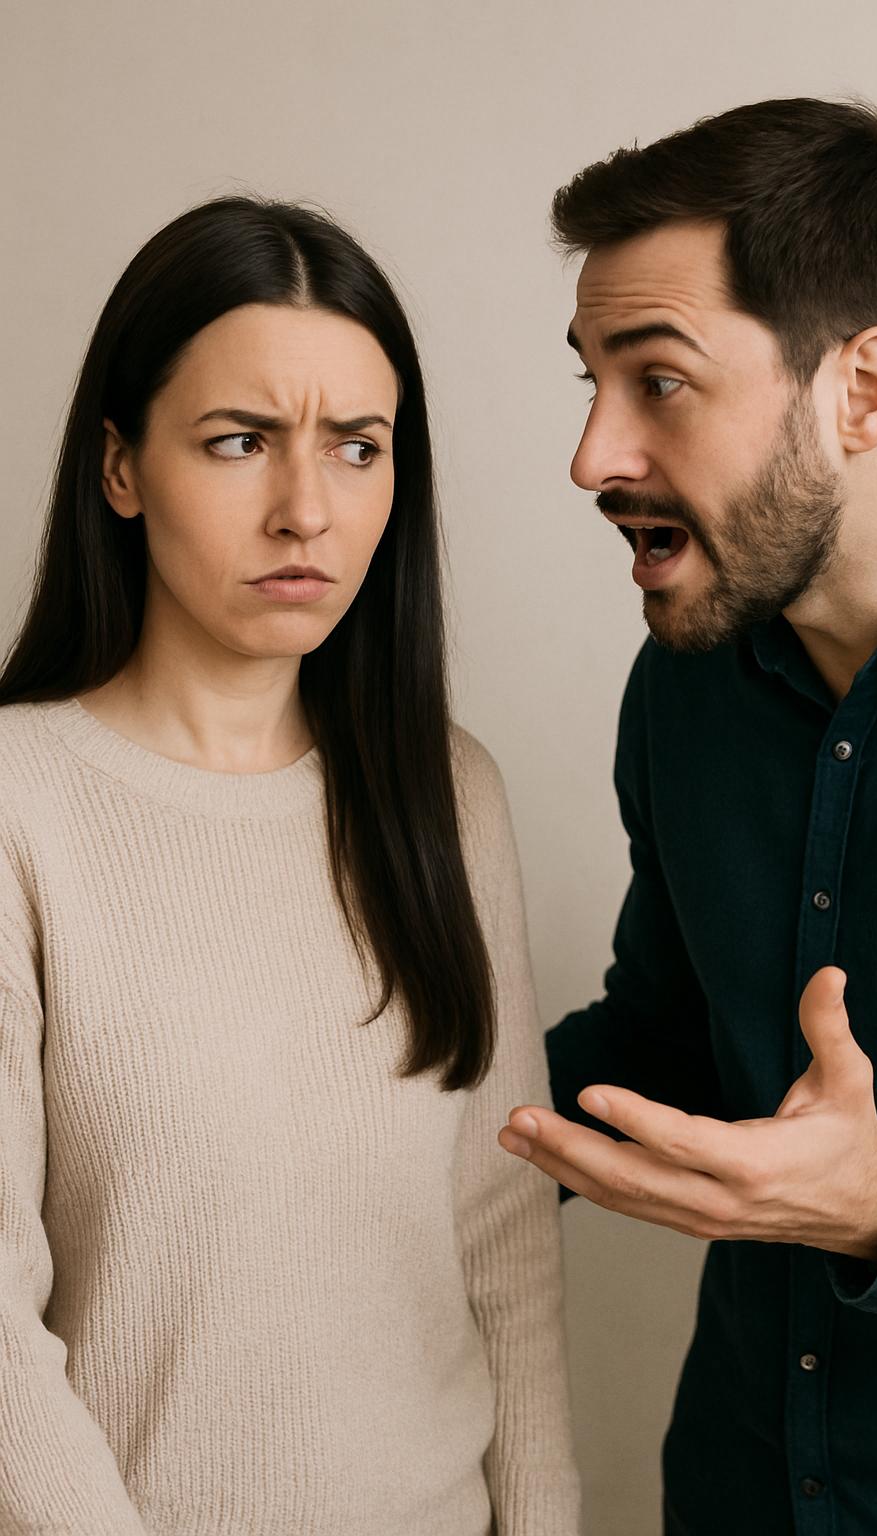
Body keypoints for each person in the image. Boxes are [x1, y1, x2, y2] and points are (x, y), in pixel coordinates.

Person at [0, 196, 580, 1535]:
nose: (306, 510)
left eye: (357, 447)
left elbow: (502, 1247)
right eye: (240, 441)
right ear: (121, 467)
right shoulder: (23, 803)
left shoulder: (449, 794)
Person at [497, 98, 877, 1534]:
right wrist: (382, 1120)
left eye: (659, 381)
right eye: (593, 382)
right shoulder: (688, 685)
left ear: (863, 389)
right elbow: (668, 1040)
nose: (593, 456)